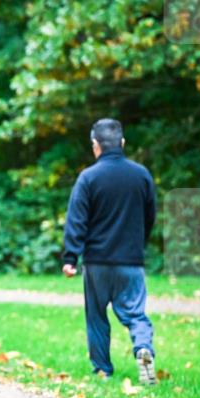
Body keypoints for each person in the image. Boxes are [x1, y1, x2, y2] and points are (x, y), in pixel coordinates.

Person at [62, 118, 157, 384]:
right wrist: (139, 244)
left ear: (95, 146)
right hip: (130, 260)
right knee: (135, 313)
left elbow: (76, 220)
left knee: (96, 316)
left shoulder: (88, 178)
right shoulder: (141, 175)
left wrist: (71, 257)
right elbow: (150, 216)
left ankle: (103, 369)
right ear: (122, 143)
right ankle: (143, 348)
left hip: (97, 262)